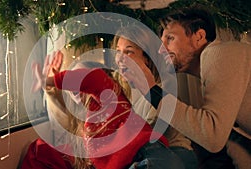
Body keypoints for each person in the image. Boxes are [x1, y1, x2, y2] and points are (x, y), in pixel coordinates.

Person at [117, 6, 251, 169]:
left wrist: (151, 90)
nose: (161, 48)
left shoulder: (220, 52)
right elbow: (234, 139)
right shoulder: (213, 72)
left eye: (170, 38)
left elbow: (212, 136)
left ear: (199, 36)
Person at [24, 51, 185, 169]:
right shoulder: (84, 122)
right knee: (41, 148)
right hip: (124, 164)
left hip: (145, 150)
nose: (75, 82)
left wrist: (54, 80)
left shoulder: (109, 96)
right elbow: (64, 118)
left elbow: (94, 79)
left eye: (78, 76)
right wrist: (49, 88)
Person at [112, 25, 198, 169]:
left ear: (146, 58)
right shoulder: (121, 91)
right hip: (144, 157)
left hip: (174, 154)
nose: (120, 58)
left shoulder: (162, 89)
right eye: (118, 51)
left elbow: (151, 134)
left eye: (129, 52)